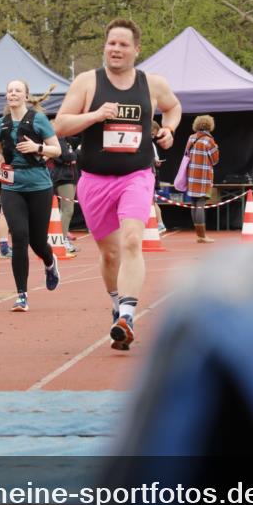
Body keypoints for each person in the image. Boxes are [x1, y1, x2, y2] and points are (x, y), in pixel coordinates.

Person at [54, 18, 181, 350]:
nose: (116, 49)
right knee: (110, 255)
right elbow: (61, 125)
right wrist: (95, 116)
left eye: (123, 44)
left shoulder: (151, 85)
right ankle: (116, 303)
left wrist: (169, 128)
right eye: (111, 43)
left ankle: (127, 313)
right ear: (104, 47)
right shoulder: (87, 82)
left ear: (136, 50)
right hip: (95, 180)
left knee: (132, 240)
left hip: (136, 176)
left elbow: (174, 107)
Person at [0, 79, 62, 312]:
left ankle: (50, 263)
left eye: (17, 90)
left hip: (39, 185)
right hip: (12, 186)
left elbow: (57, 150)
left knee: (37, 241)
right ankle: (22, 294)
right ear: (6, 96)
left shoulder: (38, 120)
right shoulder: (0, 124)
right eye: (9, 90)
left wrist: (37, 148)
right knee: (19, 237)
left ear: (26, 96)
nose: (12, 94)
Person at [184, 115, 220, 243]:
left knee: (194, 204)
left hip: (192, 176)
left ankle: (199, 235)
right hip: (204, 177)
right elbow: (215, 160)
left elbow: (186, 155)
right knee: (200, 204)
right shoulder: (209, 141)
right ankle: (202, 236)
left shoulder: (191, 138)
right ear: (210, 125)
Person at [50, 135, 79, 255]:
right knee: (67, 210)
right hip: (63, 178)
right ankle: (61, 240)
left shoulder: (67, 139)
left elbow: (71, 157)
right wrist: (77, 152)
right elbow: (66, 156)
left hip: (71, 177)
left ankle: (63, 239)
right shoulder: (58, 140)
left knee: (66, 210)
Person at [150, 120, 167, 234]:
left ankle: (160, 224)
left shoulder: (151, 145)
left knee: (151, 201)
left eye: (154, 136)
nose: (152, 137)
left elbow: (156, 160)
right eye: (151, 134)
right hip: (145, 175)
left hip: (150, 175)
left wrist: (157, 162)